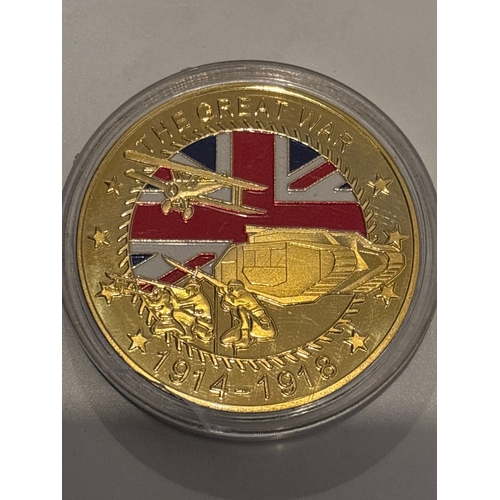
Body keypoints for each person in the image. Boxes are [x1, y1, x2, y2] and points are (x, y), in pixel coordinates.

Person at [220, 280, 276, 349]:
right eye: (229, 288)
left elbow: (235, 302)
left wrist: (226, 294)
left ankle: (245, 338)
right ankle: (245, 337)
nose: (230, 290)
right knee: (225, 340)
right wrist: (225, 298)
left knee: (241, 309)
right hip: (249, 325)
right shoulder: (237, 296)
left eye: (231, 288)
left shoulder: (246, 295)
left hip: (263, 328)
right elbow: (226, 305)